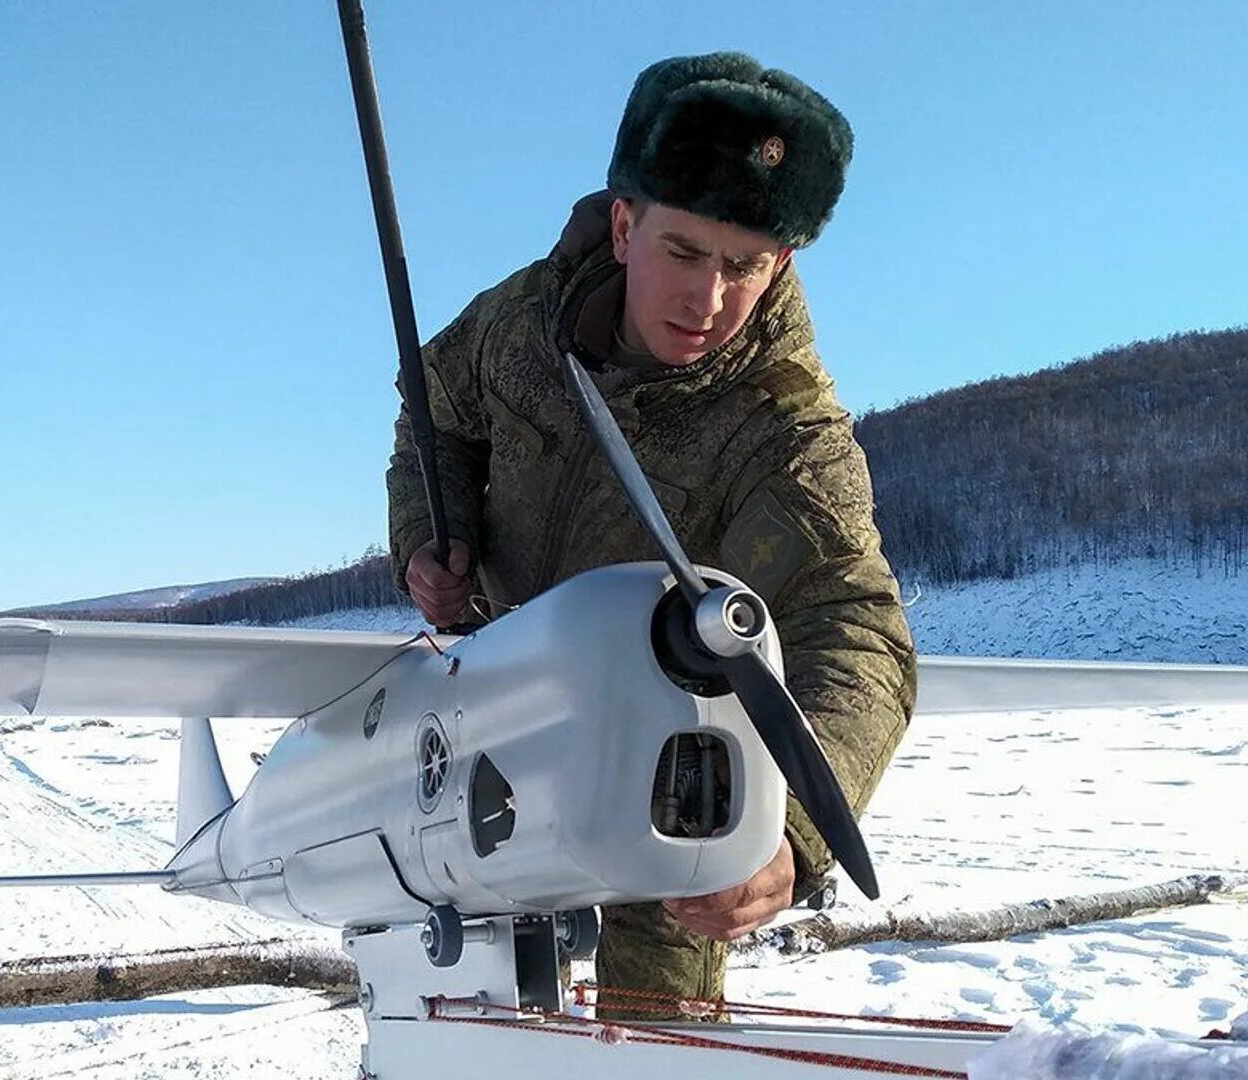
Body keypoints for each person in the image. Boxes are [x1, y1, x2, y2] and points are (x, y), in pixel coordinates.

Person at [385, 51, 916, 1014]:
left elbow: (859, 629)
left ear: (783, 261)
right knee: (456, 999)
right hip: (490, 711)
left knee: (663, 1030)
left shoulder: (785, 430)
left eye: (745, 266)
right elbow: (436, 407)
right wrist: (434, 532)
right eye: (683, 253)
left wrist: (787, 837)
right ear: (625, 226)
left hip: (662, 757)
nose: (706, 302)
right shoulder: (522, 324)